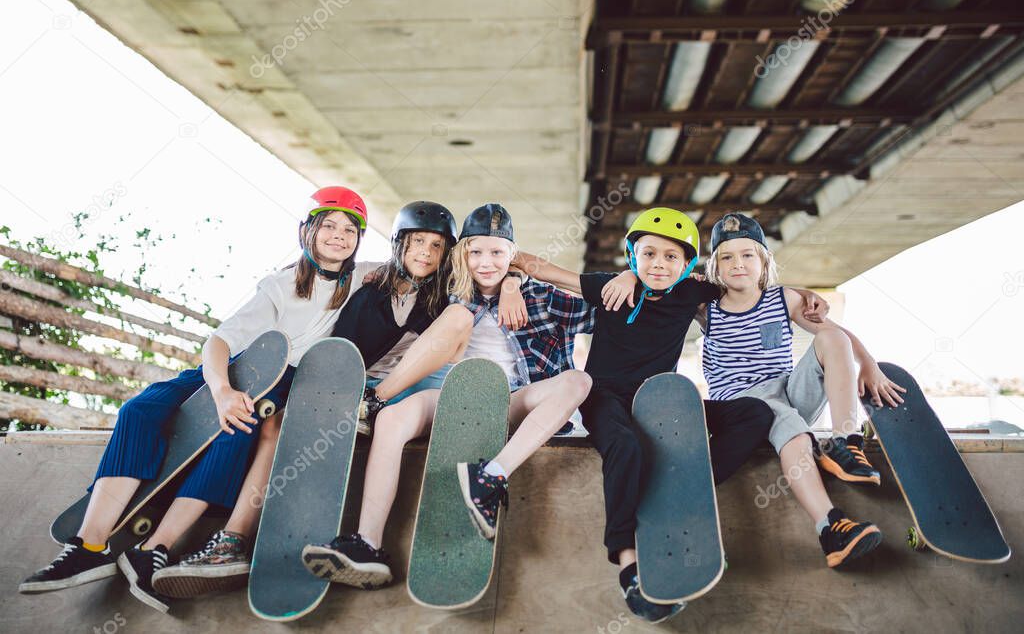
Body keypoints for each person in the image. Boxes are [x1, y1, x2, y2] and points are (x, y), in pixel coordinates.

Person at [19, 187, 377, 613]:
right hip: (237, 370)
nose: (339, 236)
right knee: (141, 407)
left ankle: (154, 549)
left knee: (234, 434)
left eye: (349, 230)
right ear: (307, 232)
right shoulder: (280, 285)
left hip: (282, 385)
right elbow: (219, 342)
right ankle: (90, 544)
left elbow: (419, 262)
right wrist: (223, 392)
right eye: (329, 226)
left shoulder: (365, 278)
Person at [511, 207, 828, 623]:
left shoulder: (693, 292)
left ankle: (684, 485)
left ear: (686, 265)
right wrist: (512, 278)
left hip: (661, 404)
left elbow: (745, 281)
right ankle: (628, 566)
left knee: (753, 413)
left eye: (670, 257)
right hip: (604, 400)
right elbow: (548, 271)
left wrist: (803, 294)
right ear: (633, 256)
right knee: (623, 447)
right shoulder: (609, 287)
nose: (659, 264)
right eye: (648, 255)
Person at [148, 201, 471, 597]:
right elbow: (326, 277)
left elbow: (496, 258)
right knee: (274, 425)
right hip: (343, 386)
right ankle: (231, 541)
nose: (426, 252)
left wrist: (510, 284)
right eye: (417, 241)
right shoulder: (367, 283)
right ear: (397, 243)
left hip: (395, 397)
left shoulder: (447, 296)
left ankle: (372, 405)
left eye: (437, 246)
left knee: (459, 318)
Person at [300, 203, 595, 587]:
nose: (485, 263)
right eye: (475, 252)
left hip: (516, 402)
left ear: (514, 254)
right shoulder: (450, 292)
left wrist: (517, 280)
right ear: (461, 254)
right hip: (457, 397)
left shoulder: (541, 297)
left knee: (578, 382)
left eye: (497, 253)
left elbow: (616, 308)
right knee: (392, 418)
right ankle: (366, 544)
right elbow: (402, 268)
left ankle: (492, 476)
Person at [700, 212, 905, 569]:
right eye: (727, 257)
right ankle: (830, 526)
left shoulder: (784, 299)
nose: (738, 264)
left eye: (748, 255)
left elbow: (839, 334)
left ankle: (845, 441)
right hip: (745, 407)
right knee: (794, 434)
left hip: (790, 393)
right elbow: (662, 286)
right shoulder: (706, 309)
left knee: (832, 337)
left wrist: (868, 364)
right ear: (715, 266)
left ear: (764, 260)